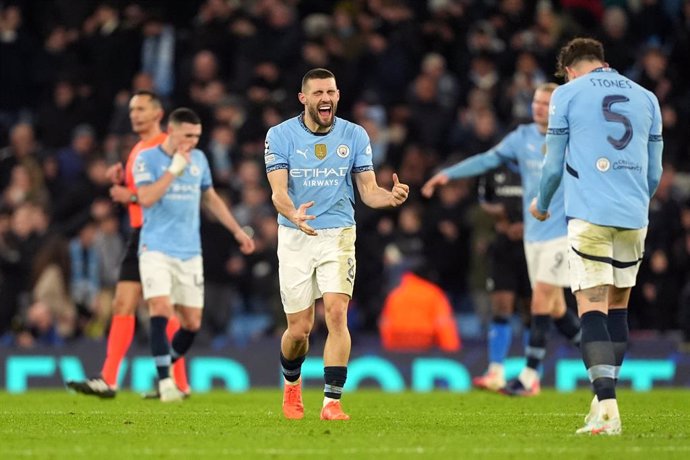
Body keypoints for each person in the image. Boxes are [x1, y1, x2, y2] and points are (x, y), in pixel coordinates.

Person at [530, 37, 663, 435]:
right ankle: (601, 402)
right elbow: (654, 173)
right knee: (618, 308)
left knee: (592, 307)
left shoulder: (567, 94)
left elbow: (553, 166)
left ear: (568, 70)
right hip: (634, 215)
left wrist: (541, 203)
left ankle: (608, 410)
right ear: (601, 61)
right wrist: (634, 201)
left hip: (590, 214)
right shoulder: (647, 97)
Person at [265, 68, 409, 420]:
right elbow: (278, 193)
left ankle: (331, 402)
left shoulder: (355, 135)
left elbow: (369, 191)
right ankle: (292, 386)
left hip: (339, 235)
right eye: (317, 93)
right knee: (299, 330)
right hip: (296, 234)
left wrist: (389, 198)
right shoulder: (280, 135)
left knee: (336, 313)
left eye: (330, 92)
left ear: (338, 95)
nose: (325, 98)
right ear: (303, 98)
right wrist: (292, 213)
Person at [422, 82, 581, 395]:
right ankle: (601, 362)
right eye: (536, 102)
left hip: (559, 233)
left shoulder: (571, 138)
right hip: (531, 239)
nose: (538, 108)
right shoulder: (521, 139)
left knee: (539, 301)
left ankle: (529, 377)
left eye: (545, 103)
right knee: (557, 309)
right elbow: (486, 159)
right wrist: (449, 174)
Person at [67, 90, 192, 398]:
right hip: (140, 234)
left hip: (161, 235)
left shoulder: (166, 147)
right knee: (123, 304)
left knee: (163, 308)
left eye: (141, 109)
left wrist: (131, 195)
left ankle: (179, 382)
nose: (134, 114)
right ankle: (108, 380)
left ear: (158, 113)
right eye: (132, 109)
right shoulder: (138, 149)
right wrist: (123, 180)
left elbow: (171, 194)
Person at [133, 107, 254, 401]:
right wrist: (173, 170)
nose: (192, 142)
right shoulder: (146, 159)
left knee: (191, 324)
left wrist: (237, 231)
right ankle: (165, 385)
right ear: (170, 131)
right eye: (187, 136)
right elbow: (146, 198)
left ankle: (167, 369)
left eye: (197, 137)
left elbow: (210, 198)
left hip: (189, 252)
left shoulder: (198, 159)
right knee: (160, 310)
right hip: (156, 249)